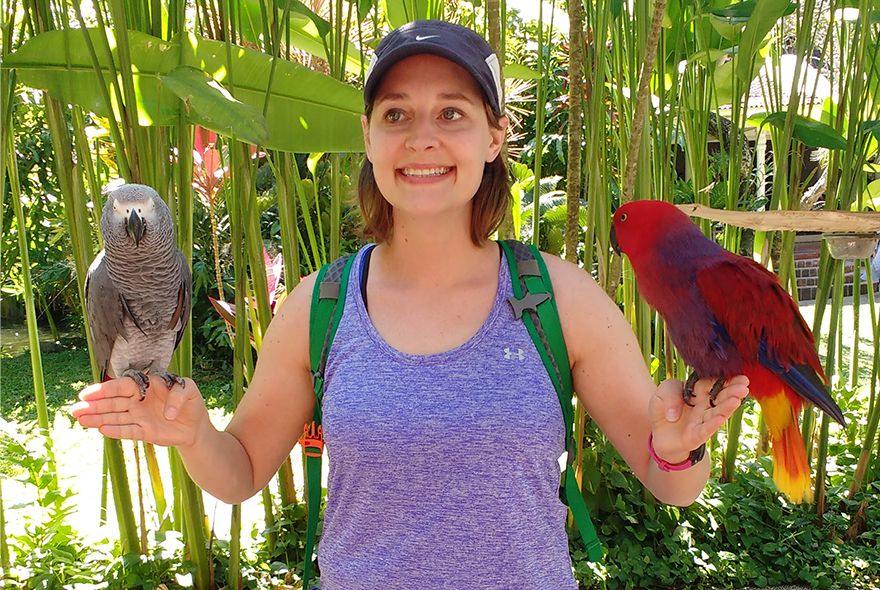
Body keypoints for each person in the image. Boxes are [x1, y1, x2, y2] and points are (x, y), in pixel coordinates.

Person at [71, 19, 749, 589]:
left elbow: (672, 486)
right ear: (369, 136)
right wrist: (193, 433)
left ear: (493, 136)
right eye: (396, 114)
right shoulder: (322, 305)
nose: (422, 137)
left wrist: (677, 449)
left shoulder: (557, 296)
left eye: (451, 112)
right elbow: (242, 471)